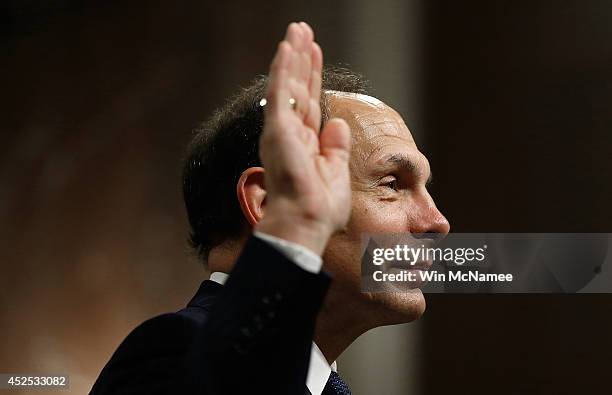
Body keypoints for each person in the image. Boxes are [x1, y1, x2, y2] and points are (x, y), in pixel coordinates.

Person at [90, 21, 449, 395]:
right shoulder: (181, 352)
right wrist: (294, 230)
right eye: (393, 183)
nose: (438, 223)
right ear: (267, 203)